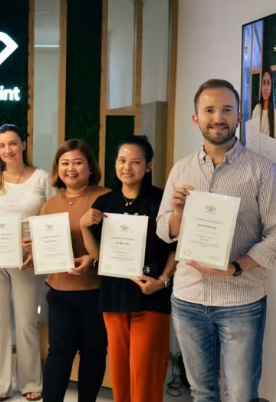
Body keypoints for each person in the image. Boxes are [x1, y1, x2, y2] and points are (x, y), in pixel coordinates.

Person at [156, 79, 276, 402]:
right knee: (202, 392)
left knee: (240, 394)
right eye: (209, 110)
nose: (218, 118)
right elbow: (164, 229)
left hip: (240, 301)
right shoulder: (181, 170)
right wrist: (178, 213)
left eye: (226, 110)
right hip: (188, 298)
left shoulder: (263, 171)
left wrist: (235, 267)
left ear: (238, 116)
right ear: (196, 118)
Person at [80, 135, 177, 402]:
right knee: (120, 371)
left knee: (144, 369)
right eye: (122, 160)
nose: (127, 167)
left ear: (148, 165)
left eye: (135, 161)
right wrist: (83, 227)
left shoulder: (162, 201)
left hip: (151, 295)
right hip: (114, 296)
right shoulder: (104, 203)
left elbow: (176, 248)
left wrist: (163, 280)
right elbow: (98, 256)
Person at [0, 124, 54, 402]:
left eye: (13, 143)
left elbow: (52, 220)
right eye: (2, 145)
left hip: (26, 259)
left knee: (27, 321)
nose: (8, 150)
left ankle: (30, 381)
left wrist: (37, 247)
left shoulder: (42, 178)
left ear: (23, 145)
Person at [40, 139, 110, 402]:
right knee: (59, 352)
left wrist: (92, 259)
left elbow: (116, 245)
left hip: (95, 291)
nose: (70, 168)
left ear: (90, 167)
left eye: (77, 162)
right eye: (64, 163)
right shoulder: (50, 204)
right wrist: (33, 250)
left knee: (93, 352)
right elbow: (45, 245)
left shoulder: (106, 198)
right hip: (59, 291)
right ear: (57, 168)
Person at [250, 67, 276, 139]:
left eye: (268, 83)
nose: (265, 87)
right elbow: (251, 138)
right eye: (263, 83)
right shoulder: (256, 109)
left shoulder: (274, 113)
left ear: (271, 87)